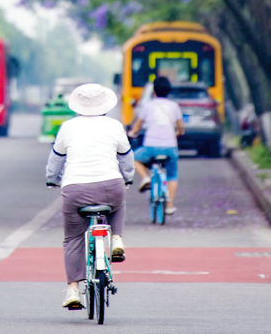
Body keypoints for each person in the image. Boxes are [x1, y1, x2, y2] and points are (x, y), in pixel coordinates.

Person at [45, 82, 134, 310]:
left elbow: (56, 159)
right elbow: (126, 157)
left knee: (73, 238)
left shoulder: (67, 127)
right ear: (105, 105)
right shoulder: (115, 126)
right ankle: (117, 239)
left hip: (75, 191)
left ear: (77, 106)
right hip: (111, 186)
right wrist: (128, 177)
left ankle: (73, 289)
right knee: (119, 200)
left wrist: (51, 178)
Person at [128, 76, 184, 215]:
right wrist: (176, 134)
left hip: (150, 147)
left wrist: (132, 133)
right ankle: (170, 204)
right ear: (168, 91)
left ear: (154, 91)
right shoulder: (174, 106)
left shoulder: (148, 106)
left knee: (133, 158)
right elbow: (181, 129)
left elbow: (137, 127)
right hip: (170, 148)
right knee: (172, 175)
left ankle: (146, 178)